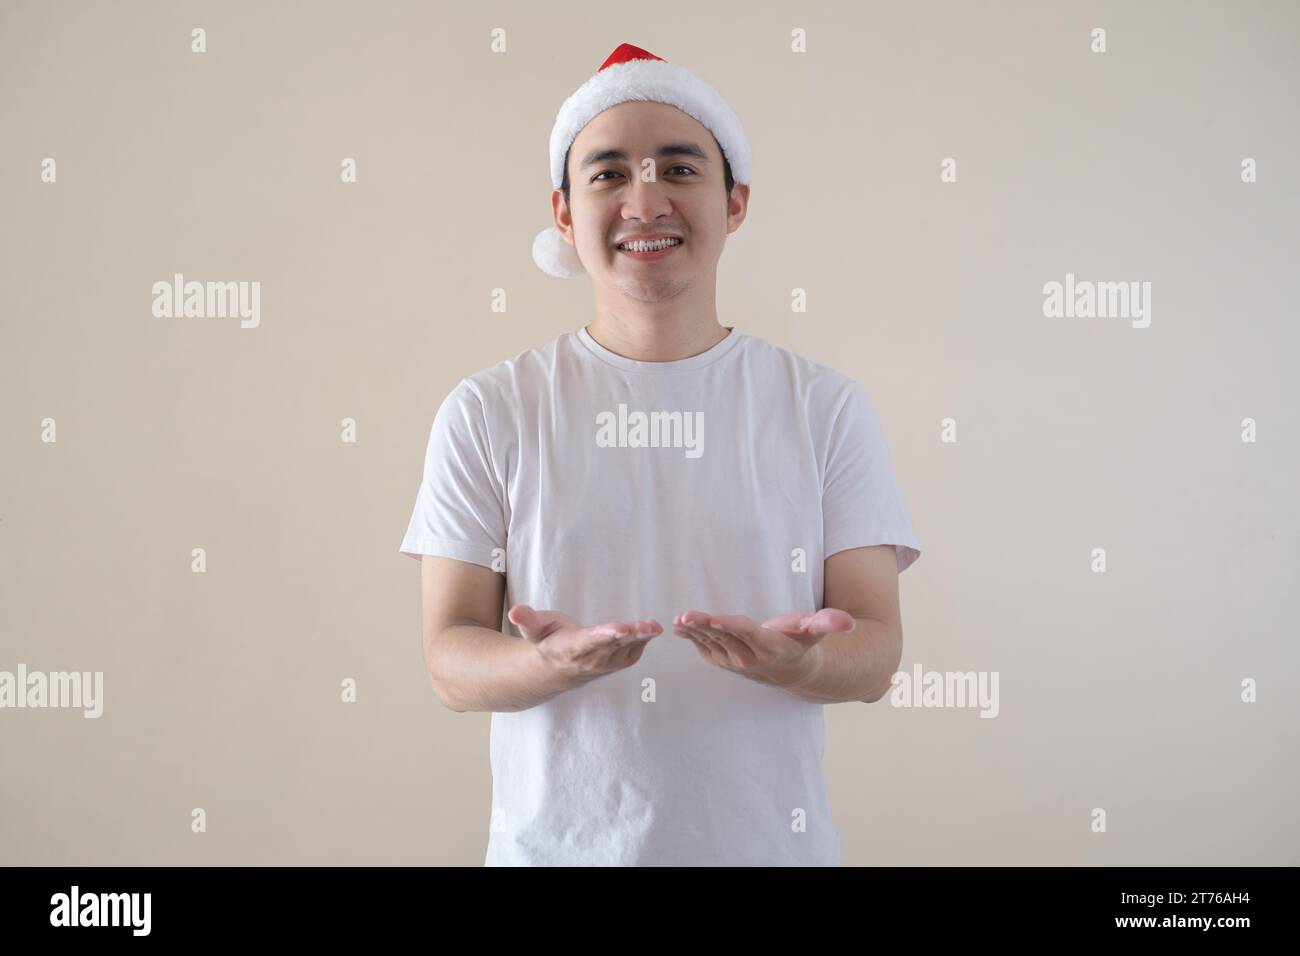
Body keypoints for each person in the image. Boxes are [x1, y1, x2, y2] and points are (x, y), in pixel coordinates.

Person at [399, 42, 921, 866]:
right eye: (608, 174)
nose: (646, 201)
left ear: (734, 201)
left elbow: (878, 651)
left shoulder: (822, 408)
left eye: (678, 170)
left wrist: (806, 659)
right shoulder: (490, 410)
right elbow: (449, 662)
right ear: (565, 214)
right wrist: (549, 667)